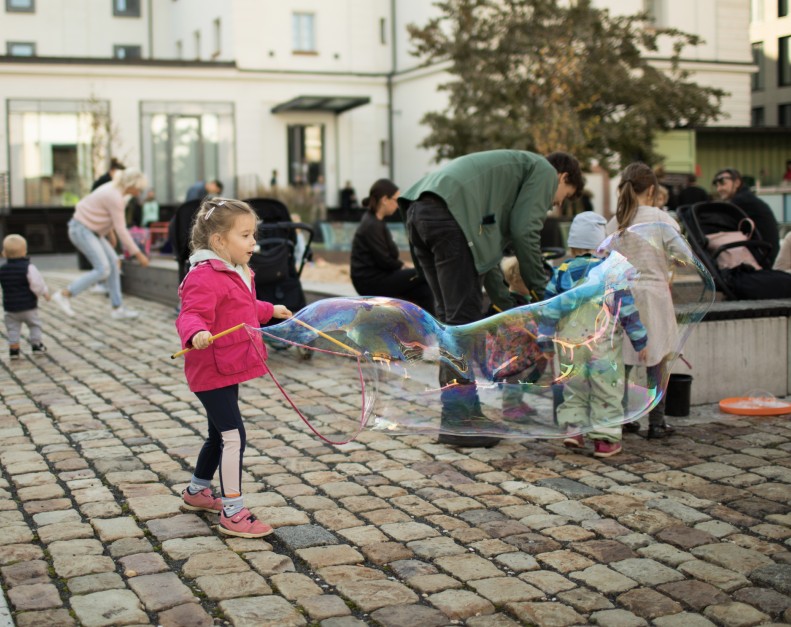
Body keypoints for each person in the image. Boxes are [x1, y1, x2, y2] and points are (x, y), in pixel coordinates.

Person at [398, 150, 583, 448]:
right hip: (448, 215)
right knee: (462, 323)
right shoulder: (544, 171)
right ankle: (458, 419)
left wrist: (508, 309)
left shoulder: (503, 187)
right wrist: (544, 294)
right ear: (563, 177)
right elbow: (526, 233)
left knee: (451, 324)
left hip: (420, 211)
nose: (553, 205)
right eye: (560, 198)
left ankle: (464, 414)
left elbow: (488, 263)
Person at [176, 197, 292, 538]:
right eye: (246, 236)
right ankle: (233, 511)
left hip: (229, 365)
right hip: (211, 370)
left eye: (253, 235)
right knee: (232, 436)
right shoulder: (203, 276)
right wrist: (195, 332)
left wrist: (270, 309)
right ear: (219, 242)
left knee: (218, 433)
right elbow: (191, 314)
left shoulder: (236, 271)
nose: (254, 243)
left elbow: (241, 308)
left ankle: (197, 492)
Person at [536, 212, 648, 458]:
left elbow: (550, 306)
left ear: (572, 244)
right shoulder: (611, 271)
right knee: (606, 390)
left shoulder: (563, 269)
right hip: (602, 345)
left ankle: (574, 430)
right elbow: (627, 309)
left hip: (569, 343)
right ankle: (605, 440)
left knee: (573, 386)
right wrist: (640, 340)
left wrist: (544, 338)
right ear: (601, 243)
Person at [605, 162, 680, 440]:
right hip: (655, 297)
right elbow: (680, 255)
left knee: (623, 359)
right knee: (657, 360)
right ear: (651, 190)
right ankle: (656, 423)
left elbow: (606, 261)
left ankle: (624, 419)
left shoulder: (615, 221)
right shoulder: (661, 219)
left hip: (624, 297)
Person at [51, 168, 150, 320]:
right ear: (131, 185)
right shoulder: (115, 196)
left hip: (93, 231)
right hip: (82, 229)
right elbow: (121, 229)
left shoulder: (117, 191)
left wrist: (109, 233)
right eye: (139, 188)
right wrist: (138, 254)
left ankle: (117, 308)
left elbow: (103, 212)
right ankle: (65, 294)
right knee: (103, 269)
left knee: (114, 262)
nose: (139, 192)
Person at [350, 179, 434, 314]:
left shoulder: (375, 221)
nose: (397, 205)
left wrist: (402, 268)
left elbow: (387, 259)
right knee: (422, 273)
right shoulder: (371, 225)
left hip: (379, 277)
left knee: (423, 290)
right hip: (371, 282)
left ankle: (430, 326)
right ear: (384, 199)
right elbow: (384, 260)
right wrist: (403, 267)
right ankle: (436, 325)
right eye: (395, 200)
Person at [712, 168, 779, 266]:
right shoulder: (746, 198)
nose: (719, 189)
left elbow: (718, 225)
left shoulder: (741, 201)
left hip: (761, 259)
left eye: (723, 183)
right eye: (717, 185)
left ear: (737, 183)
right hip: (765, 254)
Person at [0, 234, 50, 359]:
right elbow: (37, 284)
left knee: (12, 329)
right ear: (25, 251)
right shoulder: (29, 267)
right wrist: (43, 293)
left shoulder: (2, 269)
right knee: (34, 325)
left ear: (4, 253)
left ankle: (14, 349)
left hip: (10, 307)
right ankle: (36, 345)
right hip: (28, 306)